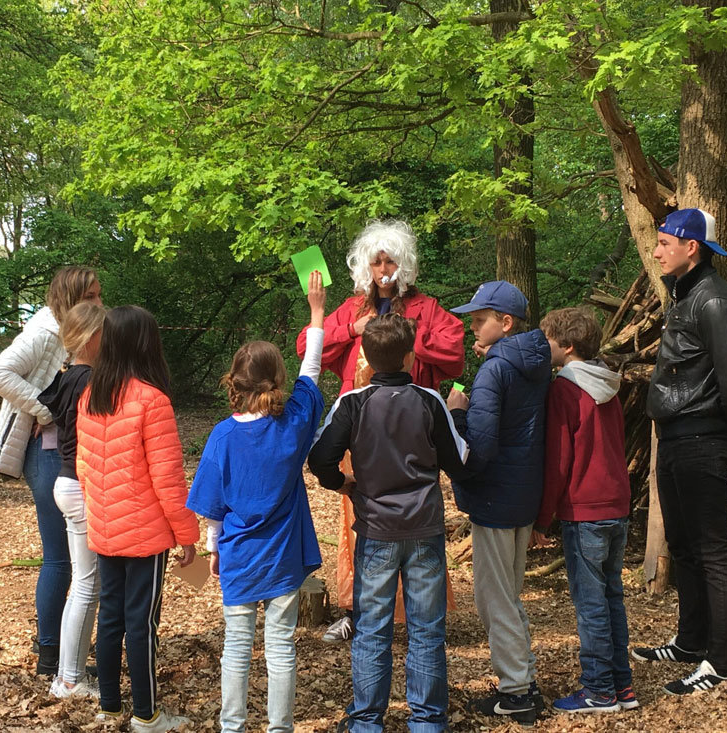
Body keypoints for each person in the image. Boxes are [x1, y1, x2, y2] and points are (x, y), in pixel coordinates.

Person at [296, 219, 465, 642]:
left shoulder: (425, 307)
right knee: (358, 518)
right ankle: (360, 610)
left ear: (403, 265)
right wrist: (351, 330)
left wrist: (409, 336)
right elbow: (306, 346)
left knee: (415, 517)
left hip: (413, 429)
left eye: (390, 260)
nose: (383, 268)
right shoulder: (354, 308)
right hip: (361, 431)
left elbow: (454, 351)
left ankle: (417, 614)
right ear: (365, 267)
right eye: (376, 261)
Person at [308, 313, 469, 733]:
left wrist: (343, 483)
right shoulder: (431, 401)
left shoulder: (353, 403)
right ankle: (428, 722)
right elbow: (460, 461)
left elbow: (320, 458)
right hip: (424, 531)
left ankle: (366, 722)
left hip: (376, 530)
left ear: (365, 356)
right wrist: (459, 415)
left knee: (372, 630)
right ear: (411, 356)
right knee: (426, 630)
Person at [187, 271, 327, 733]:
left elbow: (211, 508)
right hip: (283, 557)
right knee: (282, 646)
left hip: (241, 557)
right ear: (275, 378)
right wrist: (317, 312)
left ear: (235, 380)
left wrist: (213, 552)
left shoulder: (223, 437)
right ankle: (280, 728)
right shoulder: (294, 423)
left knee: (237, 646)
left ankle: (232, 727)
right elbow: (312, 371)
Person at [632, 208, 727, 695]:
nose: (656, 250)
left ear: (691, 247)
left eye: (664, 243)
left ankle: (721, 663)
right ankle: (690, 642)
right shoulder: (685, 294)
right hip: (677, 436)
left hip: (704, 436)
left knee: (712, 550)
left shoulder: (716, 301)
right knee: (682, 546)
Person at [76, 305, 199, 733]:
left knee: (110, 619)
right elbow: (167, 478)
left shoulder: (90, 396)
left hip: (105, 529)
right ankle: (146, 715)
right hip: (145, 536)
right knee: (141, 624)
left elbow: (84, 468)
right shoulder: (152, 400)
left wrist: (101, 514)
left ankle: (109, 706)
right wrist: (187, 536)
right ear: (148, 344)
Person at [0, 266, 102, 676]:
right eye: (90, 295)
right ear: (70, 297)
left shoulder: (81, 332)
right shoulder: (44, 331)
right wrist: (48, 408)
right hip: (47, 453)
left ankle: (62, 646)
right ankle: (51, 654)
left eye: (99, 294)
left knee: (77, 559)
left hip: (72, 449)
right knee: (61, 559)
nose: (98, 303)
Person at [447, 280, 551, 726]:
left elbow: (481, 448)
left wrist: (455, 412)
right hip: (524, 492)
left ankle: (516, 693)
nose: (473, 327)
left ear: (504, 323)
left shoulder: (495, 370)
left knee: (496, 600)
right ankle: (522, 681)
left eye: (479, 320)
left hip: (494, 496)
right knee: (509, 594)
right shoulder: (535, 361)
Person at [532, 307, 634, 713]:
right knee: (612, 597)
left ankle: (599, 690)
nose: (544, 347)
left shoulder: (565, 389)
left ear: (567, 346)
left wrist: (544, 518)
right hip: (616, 505)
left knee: (591, 602)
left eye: (548, 340)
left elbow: (559, 458)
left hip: (584, 510)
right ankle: (621, 686)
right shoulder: (609, 384)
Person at [36, 301, 107, 699]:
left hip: (69, 483)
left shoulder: (67, 378)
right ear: (92, 338)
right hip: (81, 485)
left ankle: (69, 673)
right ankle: (69, 678)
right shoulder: (88, 382)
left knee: (85, 583)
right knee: (85, 585)